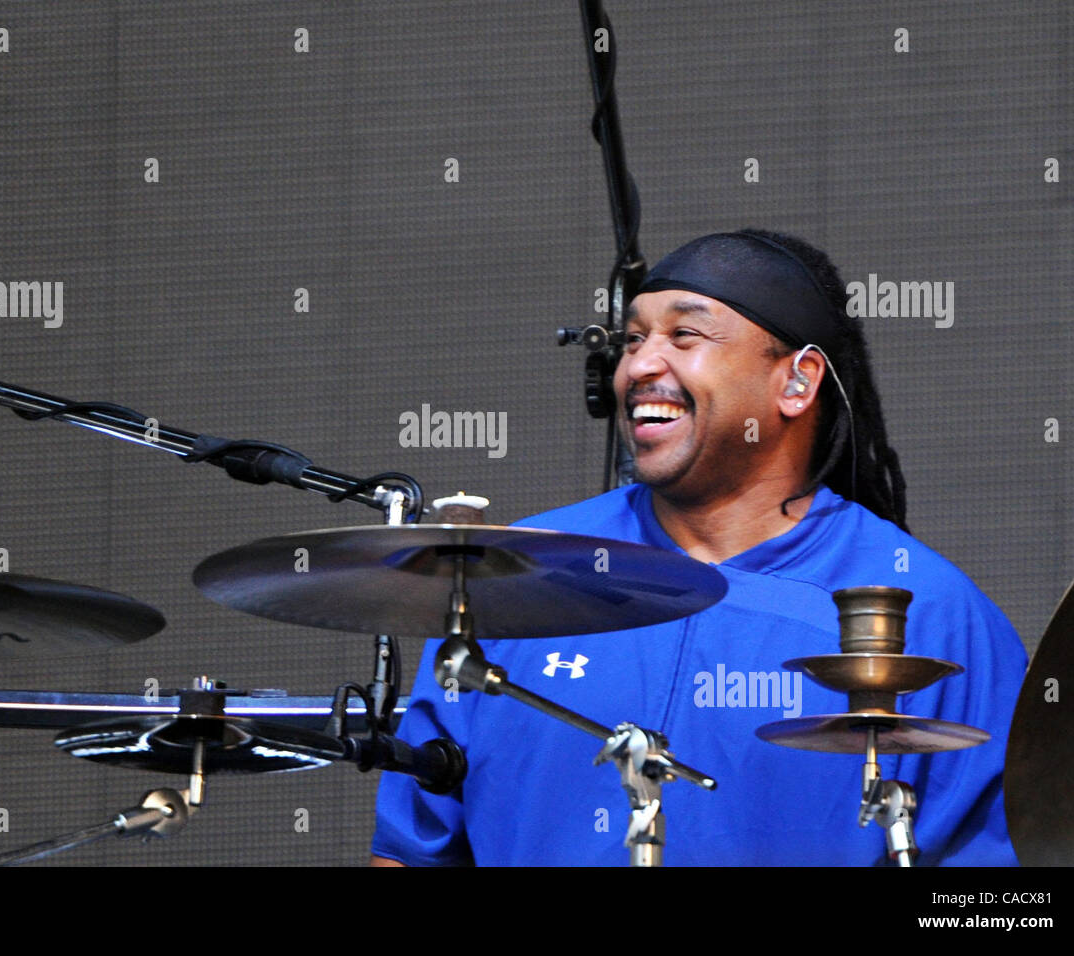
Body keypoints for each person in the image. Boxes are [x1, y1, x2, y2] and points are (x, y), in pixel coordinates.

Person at [370, 229, 1027, 866]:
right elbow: (410, 850)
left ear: (797, 383)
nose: (640, 365)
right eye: (633, 340)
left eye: (685, 335)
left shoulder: (929, 614)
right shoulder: (513, 574)